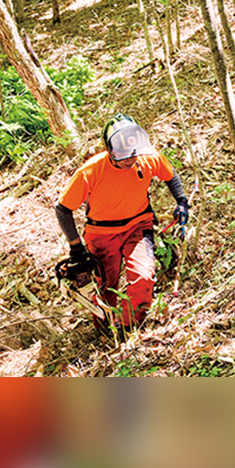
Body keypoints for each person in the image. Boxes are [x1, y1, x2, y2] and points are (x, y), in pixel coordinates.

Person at [55, 115, 189, 329]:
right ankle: (105, 329)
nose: (130, 160)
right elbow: (63, 209)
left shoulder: (147, 158)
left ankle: (130, 327)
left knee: (144, 277)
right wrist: (76, 246)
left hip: (138, 225)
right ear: (110, 150)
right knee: (105, 286)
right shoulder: (92, 170)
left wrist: (181, 202)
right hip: (101, 233)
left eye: (133, 154)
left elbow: (170, 175)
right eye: (123, 155)